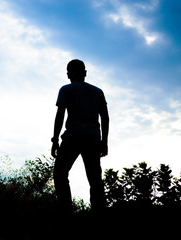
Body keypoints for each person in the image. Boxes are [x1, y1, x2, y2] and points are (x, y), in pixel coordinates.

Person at [51, 59, 109, 214]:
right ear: (85, 73)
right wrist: (104, 142)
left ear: (68, 74)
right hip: (92, 138)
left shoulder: (66, 90)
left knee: (60, 173)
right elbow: (105, 117)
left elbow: (60, 115)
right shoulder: (97, 92)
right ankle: (98, 213)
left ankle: (66, 211)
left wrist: (55, 139)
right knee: (95, 179)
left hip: (73, 136)